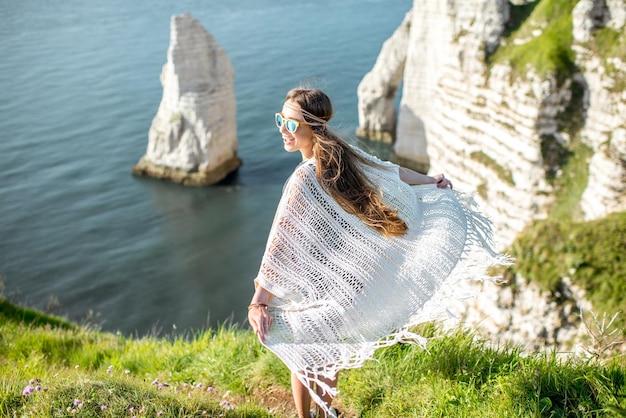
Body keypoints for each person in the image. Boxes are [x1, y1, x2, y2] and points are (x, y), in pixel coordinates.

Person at [248, 88, 508, 418]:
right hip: (349, 280)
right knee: (328, 351)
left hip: (317, 281)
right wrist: (431, 180)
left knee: (305, 349)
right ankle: (326, 413)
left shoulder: (303, 178)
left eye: (290, 123)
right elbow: (391, 172)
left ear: (313, 126)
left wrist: (259, 301)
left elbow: (279, 246)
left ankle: (306, 417)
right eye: (280, 120)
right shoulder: (345, 154)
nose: (283, 129)